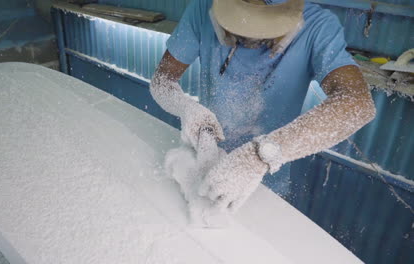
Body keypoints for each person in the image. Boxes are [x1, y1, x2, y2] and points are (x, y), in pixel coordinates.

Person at [150, 0, 376, 212]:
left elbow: (357, 103)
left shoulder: (317, 26)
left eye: (258, 33)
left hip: (265, 182)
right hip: (203, 163)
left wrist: (257, 157)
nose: (245, 38)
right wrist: (187, 109)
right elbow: (162, 81)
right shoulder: (203, 8)